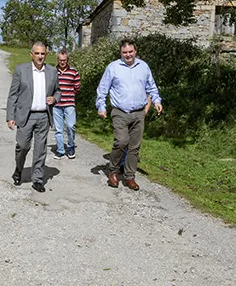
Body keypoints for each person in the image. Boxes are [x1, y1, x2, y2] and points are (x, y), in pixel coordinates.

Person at [95, 38, 163, 191]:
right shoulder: (113, 67)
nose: (128, 55)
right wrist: (101, 106)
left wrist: (157, 101)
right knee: (121, 142)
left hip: (139, 113)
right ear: (121, 53)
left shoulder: (143, 66)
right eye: (125, 52)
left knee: (134, 147)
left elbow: (151, 87)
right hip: (120, 112)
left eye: (130, 52)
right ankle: (113, 171)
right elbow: (102, 89)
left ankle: (129, 177)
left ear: (135, 51)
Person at [6, 41, 61, 193]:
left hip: (43, 115)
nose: (40, 56)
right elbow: (13, 95)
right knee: (22, 146)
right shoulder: (21, 70)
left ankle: (37, 179)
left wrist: (55, 98)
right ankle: (18, 169)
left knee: (40, 149)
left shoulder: (51, 71)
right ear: (31, 54)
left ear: (46, 54)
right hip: (26, 116)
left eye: (42, 53)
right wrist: (10, 116)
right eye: (37, 53)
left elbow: (58, 90)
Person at [52, 49, 80, 159]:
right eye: (60, 60)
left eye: (64, 60)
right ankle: (60, 150)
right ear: (57, 59)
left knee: (70, 126)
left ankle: (71, 146)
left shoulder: (73, 72)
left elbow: (77, 87)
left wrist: (70, 95)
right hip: (56, 105)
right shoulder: (53, 72)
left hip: (69, 104)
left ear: (67, 60)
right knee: (58, 129)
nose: (62, 62)